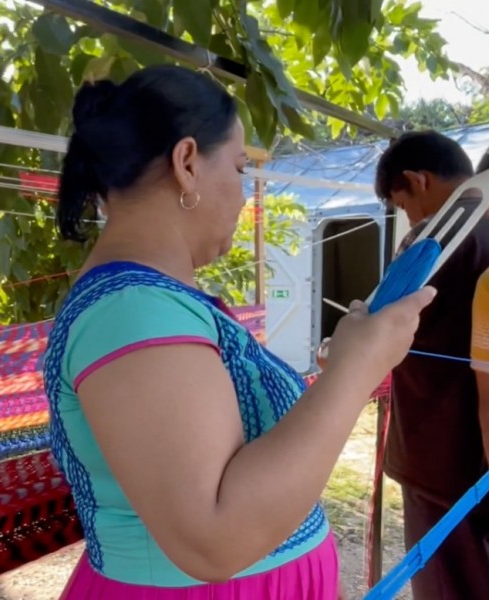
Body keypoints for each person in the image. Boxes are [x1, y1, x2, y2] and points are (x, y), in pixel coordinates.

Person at [42, 64, 434, 600]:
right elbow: (213, 539)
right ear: (186, 164)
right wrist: (356, 369)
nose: (246, 193)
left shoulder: (154, 304)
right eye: (240, 167)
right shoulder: (131, 311)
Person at [374, 131, 489, 600]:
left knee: (444, 579)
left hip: (437, 454)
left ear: (417, 181)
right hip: (476, 454)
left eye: (402, 206)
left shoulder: (437, 237)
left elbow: (378, 331)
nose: (409, 219)